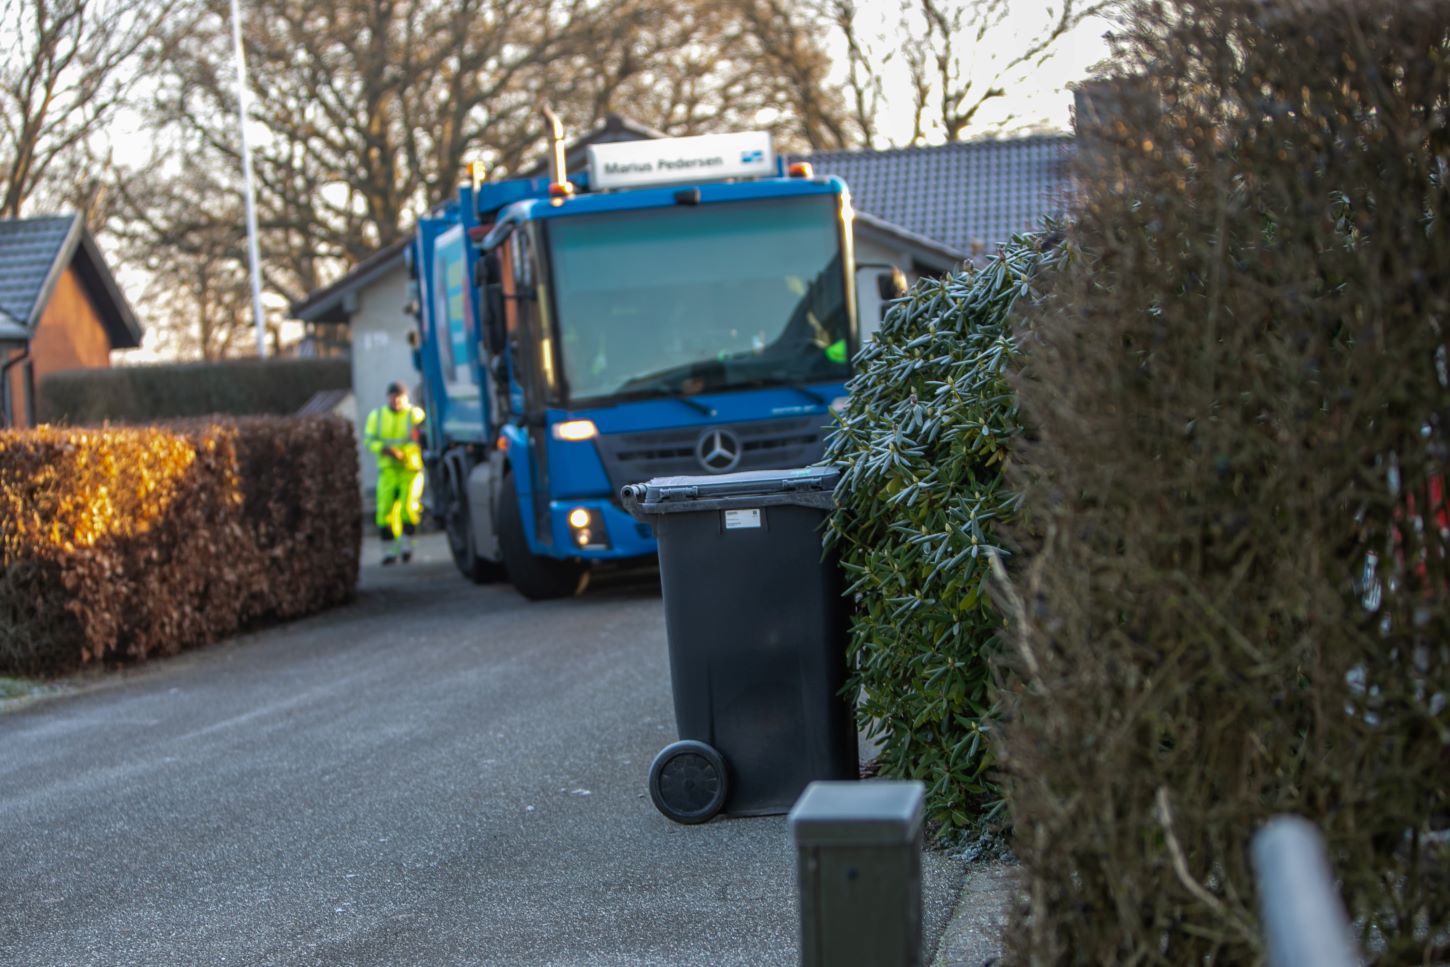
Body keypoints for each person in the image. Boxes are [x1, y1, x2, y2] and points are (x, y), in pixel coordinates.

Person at [364, 381, 426, 564]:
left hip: (410, 470)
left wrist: (404, 452)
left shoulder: (413, 415)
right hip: (388, 470)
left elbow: (423, 432)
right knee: (385, 512)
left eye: (399, 398)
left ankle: (407, 549)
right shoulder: (378, 417)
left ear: (405, 398)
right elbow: (369, 440)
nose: (396, 402)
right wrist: (384, 449)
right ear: (388, 398)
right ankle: (390, 552)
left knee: (409, 509)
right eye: (393, 398)